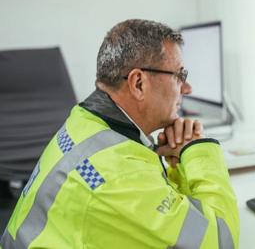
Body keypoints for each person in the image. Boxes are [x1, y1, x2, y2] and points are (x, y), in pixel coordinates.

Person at [0, 19, 239, 249]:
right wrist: (197, 149)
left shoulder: (84, 121)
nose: (187, 88)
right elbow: (220, 240)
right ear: (138, 83)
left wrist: (176, 162)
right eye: (179, 75)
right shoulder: (120, 175)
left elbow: (168, 217)